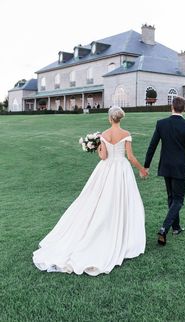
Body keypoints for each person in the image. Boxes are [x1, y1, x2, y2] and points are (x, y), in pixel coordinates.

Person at [33, 106, 147, 276]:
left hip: (106, 169)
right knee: (123, 200)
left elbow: (103, 157)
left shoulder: (104, 135)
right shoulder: (126, 133)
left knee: (99, 199)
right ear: (120, 118)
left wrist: (99, 148)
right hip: (122, 169)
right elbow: (130, 157)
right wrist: (142, 169)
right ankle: (122, 231)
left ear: (110, 119)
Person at [144, 96, 185, 246]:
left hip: (166, 166)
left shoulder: (162, 124)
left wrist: (146, 165)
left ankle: (176, 227)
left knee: (171, 197)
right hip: (180, 167)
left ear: (172, 107)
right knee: (178, 200)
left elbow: (152, 146)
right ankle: (164, 228)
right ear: (184, 108)